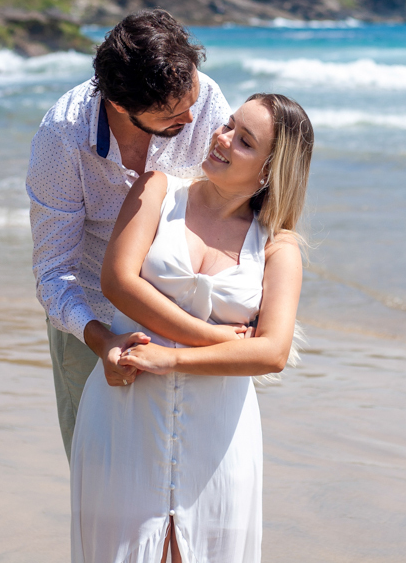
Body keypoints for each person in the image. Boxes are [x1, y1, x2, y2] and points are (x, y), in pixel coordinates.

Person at [70, 93, 315, 563]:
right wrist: (214, 337)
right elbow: (117, 281)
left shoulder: (279, 248)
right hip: (126, 417)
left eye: (243, 141)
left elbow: (272, 354)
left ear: (269, 170)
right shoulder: (158, 191)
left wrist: (174, 357)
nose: (220, 139)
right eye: (226, 125)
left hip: (218, 437)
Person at [27, 9, 237, 460]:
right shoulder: (62, 137)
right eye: (174, 118)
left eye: (193, 100)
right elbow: (53, 273)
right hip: (91, 317)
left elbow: (234, 201)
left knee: (185, 468)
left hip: (189, 314)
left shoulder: (204, 101)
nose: (193, 117)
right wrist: (103, 342)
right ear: (120, 105)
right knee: (97, 466)